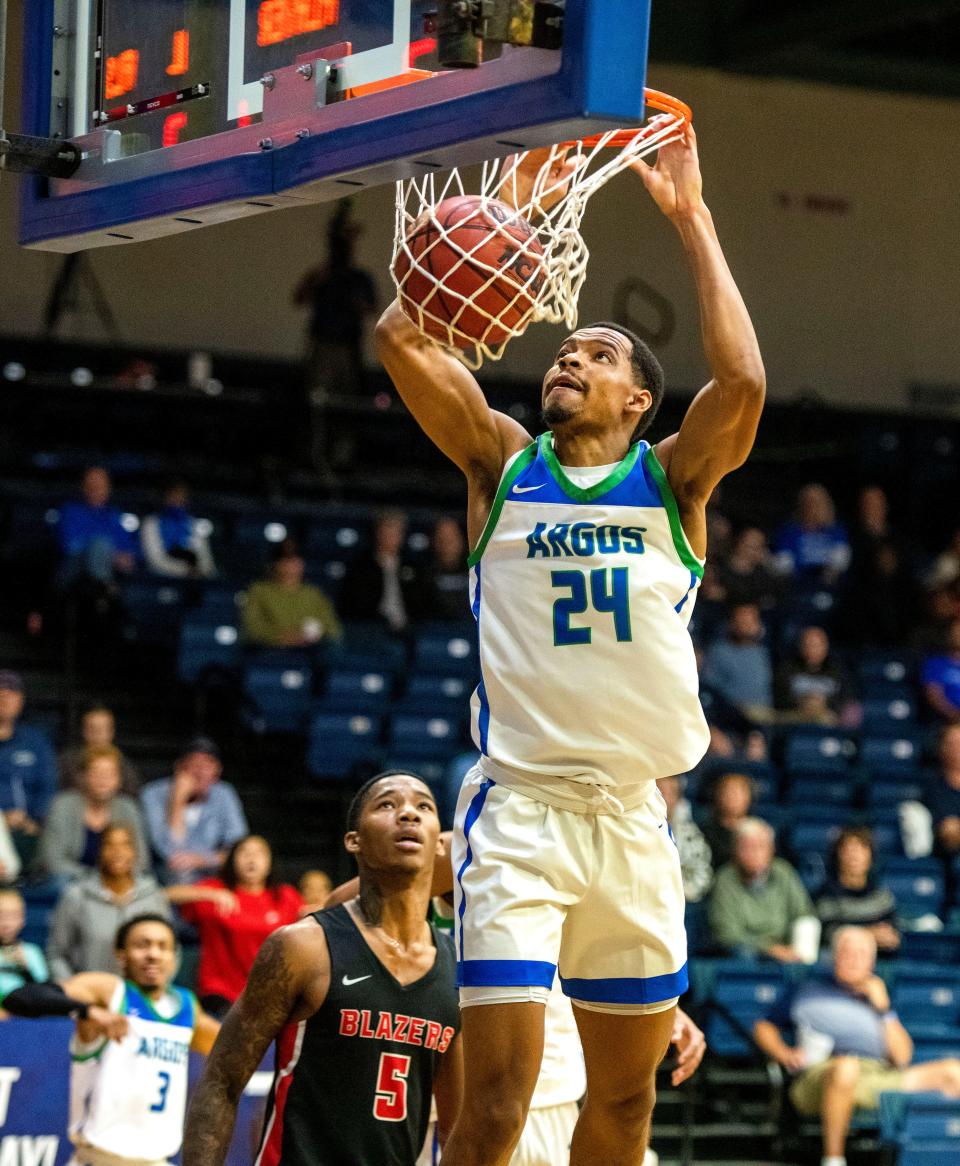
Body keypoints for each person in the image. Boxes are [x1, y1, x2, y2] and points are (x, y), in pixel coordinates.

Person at [375, 124, 764, 1166]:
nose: (569, 359)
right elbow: (400, 344)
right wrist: (497, 220)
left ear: (640, 401)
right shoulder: (501, 462)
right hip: (523, 812)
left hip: (634, 818)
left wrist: (694, 221)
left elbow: (745, 385)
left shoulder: (673, 481)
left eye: (597, 354)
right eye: (563, 349)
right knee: (493, 1109)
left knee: (623, 1111)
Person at [326, 829, 708, 1166]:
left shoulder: (615, 832)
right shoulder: (491, 830)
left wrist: (668, 1012)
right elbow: (339, 912)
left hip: (554, 1100)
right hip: (463, 1104)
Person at [183, 770, 463, 1166]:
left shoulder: (456, 969)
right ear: (354, 841)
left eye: (424, 806)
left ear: (440, 842)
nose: (408, 814)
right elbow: (221, 1081)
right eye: (387, 804)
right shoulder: (300, 946)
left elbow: (456, 1125)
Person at [5, 913, 220, 1166]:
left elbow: (234, 1047)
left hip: (156, 1159)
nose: (153, 954)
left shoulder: (186, 1006)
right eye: (142, 945)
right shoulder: (109, 992)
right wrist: (89, 1011)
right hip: (100, 1158)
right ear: (120, 955)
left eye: (163, 947)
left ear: (174, 958)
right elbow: (20, 998)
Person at [753, 926, 960, 1166]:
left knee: (953, 1071)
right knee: (846, 1066)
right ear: (833, 956)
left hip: (877, 1076)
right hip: (819, 1075)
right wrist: (784, 1053)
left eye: (862, 954)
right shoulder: (806, 989)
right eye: (847, 952)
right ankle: (833, 1160)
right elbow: (763, 1027)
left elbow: (903, 1058)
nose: (853, 959)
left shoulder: (879, 1001)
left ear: (872, 963)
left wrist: (884, 1009)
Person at [175, 834, 304, 1018]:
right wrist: (208, 895)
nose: (251, 859)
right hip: (220, 994)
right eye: (244, 853)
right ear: (232, 860)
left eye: (259, 853)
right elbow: (162, 895)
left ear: (270, 863)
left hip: (270, 994)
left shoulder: (285, 896)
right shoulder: (214, 889)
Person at [45, 822, 173, 979]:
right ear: (99, 851)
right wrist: (74, 993)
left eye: (125, 844)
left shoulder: (153, 896)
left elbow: (172, 949)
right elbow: (56, 953)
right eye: (109, 844)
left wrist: (156, 988)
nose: (117, 852)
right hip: (88, 997)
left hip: (141, 998)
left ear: (135, 851)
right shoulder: (76, 896)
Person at [140, 737, 248, 884]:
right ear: (180, 768)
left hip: (211, 871)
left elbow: (238, 845)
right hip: (166, 874)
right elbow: (169, 851)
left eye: (208, 765)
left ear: (217, 771)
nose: (201, 772)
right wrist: (178, 800)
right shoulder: (153, 793)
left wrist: (201, 860)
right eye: (194, 764)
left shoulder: (224, 793)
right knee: (180, 871)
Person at [709, 818, 815, 961]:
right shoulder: (724, 879)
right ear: (735, 850)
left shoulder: (783, 872)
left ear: (772, 849)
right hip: (745, 952)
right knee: (744, 954)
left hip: (785, 948)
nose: (755, 853)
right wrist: (769, 949)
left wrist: (797, 950)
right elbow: (727, 935)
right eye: (748, 847)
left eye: (761, 846)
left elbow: (804, 913)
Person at [36, 745, 148, 880]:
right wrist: (96, 880)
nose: (103, 780)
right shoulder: (63, 805)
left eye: (110, 774)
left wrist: (114, 880)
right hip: (70, 882)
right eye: (96, 773)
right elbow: (52, 861)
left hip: (116, 882)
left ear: (119, 779)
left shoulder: (127, 807)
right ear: (83, 776)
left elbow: (141, 860)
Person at [0, 669, 58, 866]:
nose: (4, 698)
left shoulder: (35, 741)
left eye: (11, 693)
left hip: (28, 829)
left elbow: (48, 787)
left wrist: (35, 821)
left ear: (21, 700)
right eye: (0, 693)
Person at [815, 826, 899, 952]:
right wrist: (869, 934)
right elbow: (828, 935)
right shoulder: (825, 896)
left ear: (871, 856)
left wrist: (891, 939)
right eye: (848, 849)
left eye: (861, 848)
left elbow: (892, 935)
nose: (854, 855)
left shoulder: (883, 897)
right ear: (838, 855)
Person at [242, 546, 343, 650]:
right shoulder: (258, 591)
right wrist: (282, 637)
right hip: (269, 651)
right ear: (275, 563)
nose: (292, 565)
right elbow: (251, 628)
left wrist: (310, 635)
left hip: (310, 651)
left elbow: (333, 628)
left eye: (296, 560)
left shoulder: (313, 593)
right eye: (286, 560)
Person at [57, 465, 138, 589]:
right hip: (76, 570)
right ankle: (104, 591)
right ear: (83, 487)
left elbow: (126, 546)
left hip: (112, 569)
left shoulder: (114, 515)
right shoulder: (70, 511)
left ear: (108, 488)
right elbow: (70, 546)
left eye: (100, 485)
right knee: (99, 546)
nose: (95, 489)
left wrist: (125, 557)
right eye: (91, 485)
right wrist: (111, 555)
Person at [339, 509, 417, 633]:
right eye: (388, 528)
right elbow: (356, 605)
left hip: (409, 630)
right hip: (374, 629)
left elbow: (423, 604)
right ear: (377, 531)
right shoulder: (361, 567)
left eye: (397, 529)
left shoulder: (414, 568)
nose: (392, 534)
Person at [701, 603, 774, 719]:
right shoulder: (719, 651)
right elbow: (709, 689)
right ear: (732, 623)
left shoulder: (765, 652)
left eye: (752, 621)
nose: (748, 626)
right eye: (743, 621)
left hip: (764, 717)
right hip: (730, 718)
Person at [772, 483, 850, 585]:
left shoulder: (835, 530)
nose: (812, 507)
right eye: (808, 502)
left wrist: (830, 574)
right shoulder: (790, 530)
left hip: (829, 583)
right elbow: (784, 560)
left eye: (816, 503)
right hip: (797, 584)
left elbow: (841, 557)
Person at [774, 626, 855, 725]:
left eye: (816, 645)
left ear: (825, 647)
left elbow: (846, 699)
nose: (812, 649)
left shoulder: (837, 671)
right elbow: (778, 698)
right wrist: (802, 702)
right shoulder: (787, 670)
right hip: (795, 721)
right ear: (800, 647)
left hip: (828, 722)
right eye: (808, 645)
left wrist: (825, 703)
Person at [140, 479, 216, 579]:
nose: (178, 500)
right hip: (162, 579)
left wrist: (200, 571)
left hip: (196, 579)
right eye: (173, 495)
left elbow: (206, 559)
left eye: (181, 496)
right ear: (165, 498)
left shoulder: (194, 524)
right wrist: (186, 571)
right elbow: (155, 560)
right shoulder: (151, 523)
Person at [60, 704, 140, 796]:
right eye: (92, 729)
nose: (98, 734)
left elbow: (131, 795)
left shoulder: (122, 763)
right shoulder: (67, 763)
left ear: (112, 732)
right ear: (83, 731)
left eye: (103, 729)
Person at [656, 775, 713, 902]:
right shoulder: (636, 829)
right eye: (659, 792)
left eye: (671, 793)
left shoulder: (691, 833)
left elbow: (703, 872)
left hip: (682, 900)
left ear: (678, 799)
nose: (664, 798)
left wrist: (681, 893)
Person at [0, 889, 48, 1015]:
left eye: (12, 916)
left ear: (22, 919)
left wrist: (25, 969)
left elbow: (43, 992)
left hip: (24, 1016)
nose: (6, 923)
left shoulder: (31, 952)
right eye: (1, 916)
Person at [413, 517, 471, 622]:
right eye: (441, 538)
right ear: (434, 542)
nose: (446, 544)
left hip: (470, 629)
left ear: (461, 541)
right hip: (435, 629)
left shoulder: (476, 571)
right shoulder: (424, 574)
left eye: (451, 539)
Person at [701, 771, 756, 869]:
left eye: (738, 792)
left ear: (749, 797)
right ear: (718, 796)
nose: (733, 797)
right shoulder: (705, 833)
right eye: (728, 791)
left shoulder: (759, 832)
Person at [717, 526, 780, 610]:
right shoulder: (719, 567)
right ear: (738, 542)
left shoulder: (764, 576)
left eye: (757, 547)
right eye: (748, 545)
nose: (749, 551)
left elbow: (765, 600)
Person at [924, 723, 960, 857]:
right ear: (942, 748)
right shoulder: (934, 788)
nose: (957, 749)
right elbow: (948, 832)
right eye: (952, 743)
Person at [921, 617, 960, 723]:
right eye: (956, 631)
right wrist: (955, 715)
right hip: (948, 722)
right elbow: (934, 695)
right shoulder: (936, 663)